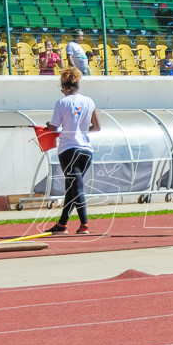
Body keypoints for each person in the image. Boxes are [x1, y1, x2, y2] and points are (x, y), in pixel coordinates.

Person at [44, 67, 100, 235]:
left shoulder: (62, 103)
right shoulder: (89, 101)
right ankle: (62, 224)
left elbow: (54, 127)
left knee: (76, 188)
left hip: (68, 149)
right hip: (86, 150)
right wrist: (80, 131)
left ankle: (85, 224)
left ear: (66, 87)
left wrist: (50, 126)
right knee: (72, 187)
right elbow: (96, 127)